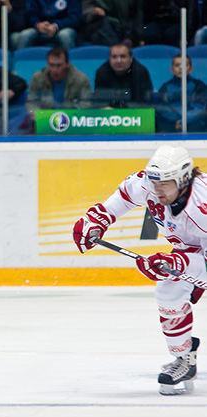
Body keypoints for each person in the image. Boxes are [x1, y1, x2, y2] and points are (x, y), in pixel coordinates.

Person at [73, 145, 205, 395]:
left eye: (164, 184)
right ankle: (184, 358)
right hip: (192, 250)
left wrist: (177, 263)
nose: (157, 189)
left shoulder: (203, 205)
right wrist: (97, 220)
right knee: (167, 291)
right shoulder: (149, 184)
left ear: (184, 179)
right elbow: (123, 197)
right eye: (154, 182)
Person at [25, 46, 92, 120]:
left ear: (67, 64)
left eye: (59, 65)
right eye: (51, 65)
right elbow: (31, 103)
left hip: (72, 121)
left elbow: (86, 104)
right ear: (47, 64)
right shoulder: (38, 78)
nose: (55, 70)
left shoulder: (81, 80)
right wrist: (40, 117)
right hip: (44, 120)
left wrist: (69, 118)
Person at [156, 55, 207, 134]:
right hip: (171, 125)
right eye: (177, 65)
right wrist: (176, 121)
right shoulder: (165, 87)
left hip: (195, 125)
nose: (181, 67)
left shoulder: (199, 86)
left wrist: (183, 121)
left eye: (185, 65)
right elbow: (163, 109)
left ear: (191, 69)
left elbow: (200, 108)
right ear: (172, 70)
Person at [93, 43, 153, 108]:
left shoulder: (140, 72)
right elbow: (99, 102)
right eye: (114, 57)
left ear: (131, 58)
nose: (118, 61)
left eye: (123, 56)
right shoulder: (101, 72)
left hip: (134, 111)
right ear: (110, 59)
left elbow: (144, 102)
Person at [16, 0, 82, 51]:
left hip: (62, 27)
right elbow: (31, 16)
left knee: (65, 35)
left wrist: (56, 26)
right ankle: (20, 63)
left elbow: (74, 18)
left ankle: (69, 63)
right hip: (40, 28)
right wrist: (38, 25)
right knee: (25, 35)